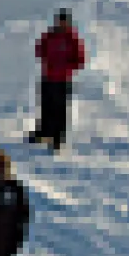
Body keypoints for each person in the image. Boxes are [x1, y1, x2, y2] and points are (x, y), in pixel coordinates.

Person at [29, 9, 85, 151]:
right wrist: (44, 56)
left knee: (60, 110)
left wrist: (65, 67)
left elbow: (80, 61)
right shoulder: (49, 35)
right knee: (46, 106)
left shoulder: (73, 39)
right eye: (59, 21)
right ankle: (44, 132)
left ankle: (58, 138)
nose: (61, 24)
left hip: (62, 80)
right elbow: (39, 49)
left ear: (68, 23)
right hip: (47, 77)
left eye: (63, 21)